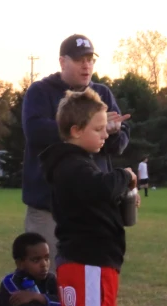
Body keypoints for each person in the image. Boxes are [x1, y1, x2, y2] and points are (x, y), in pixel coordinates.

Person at [40, 88, 136, 306]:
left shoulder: (77, 163)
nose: (105, 136)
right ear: (76, 130)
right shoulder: (70, 165)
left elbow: (96, 198)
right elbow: (100, 188)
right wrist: (125, 176)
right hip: (87, 268)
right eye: (98, 130)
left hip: (96, 266)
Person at [22, 34, 130, 270]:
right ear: (62, 62)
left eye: (90, 59)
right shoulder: (41, 92)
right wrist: (83, 129)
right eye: (80, 59)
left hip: (92, 207)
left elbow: (120, 141)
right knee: (46, 274)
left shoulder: (102, 92)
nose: (86, 65)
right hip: (48, 205)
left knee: (89, 278)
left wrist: (109, 132)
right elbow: (36, 132)